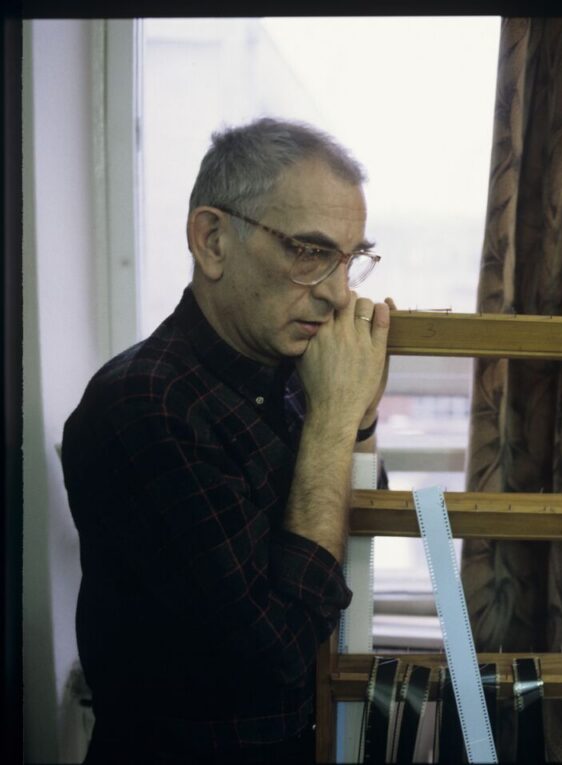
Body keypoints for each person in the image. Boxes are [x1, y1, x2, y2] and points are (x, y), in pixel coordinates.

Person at [61, 118, 392, 763]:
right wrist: (333, 423)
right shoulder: (143, 406)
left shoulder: (293, 367)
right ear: (212, 240)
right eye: (308, 252)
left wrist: (360, 417)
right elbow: (276, 652)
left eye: (349, 259)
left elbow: (355, 537)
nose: (336, 293)